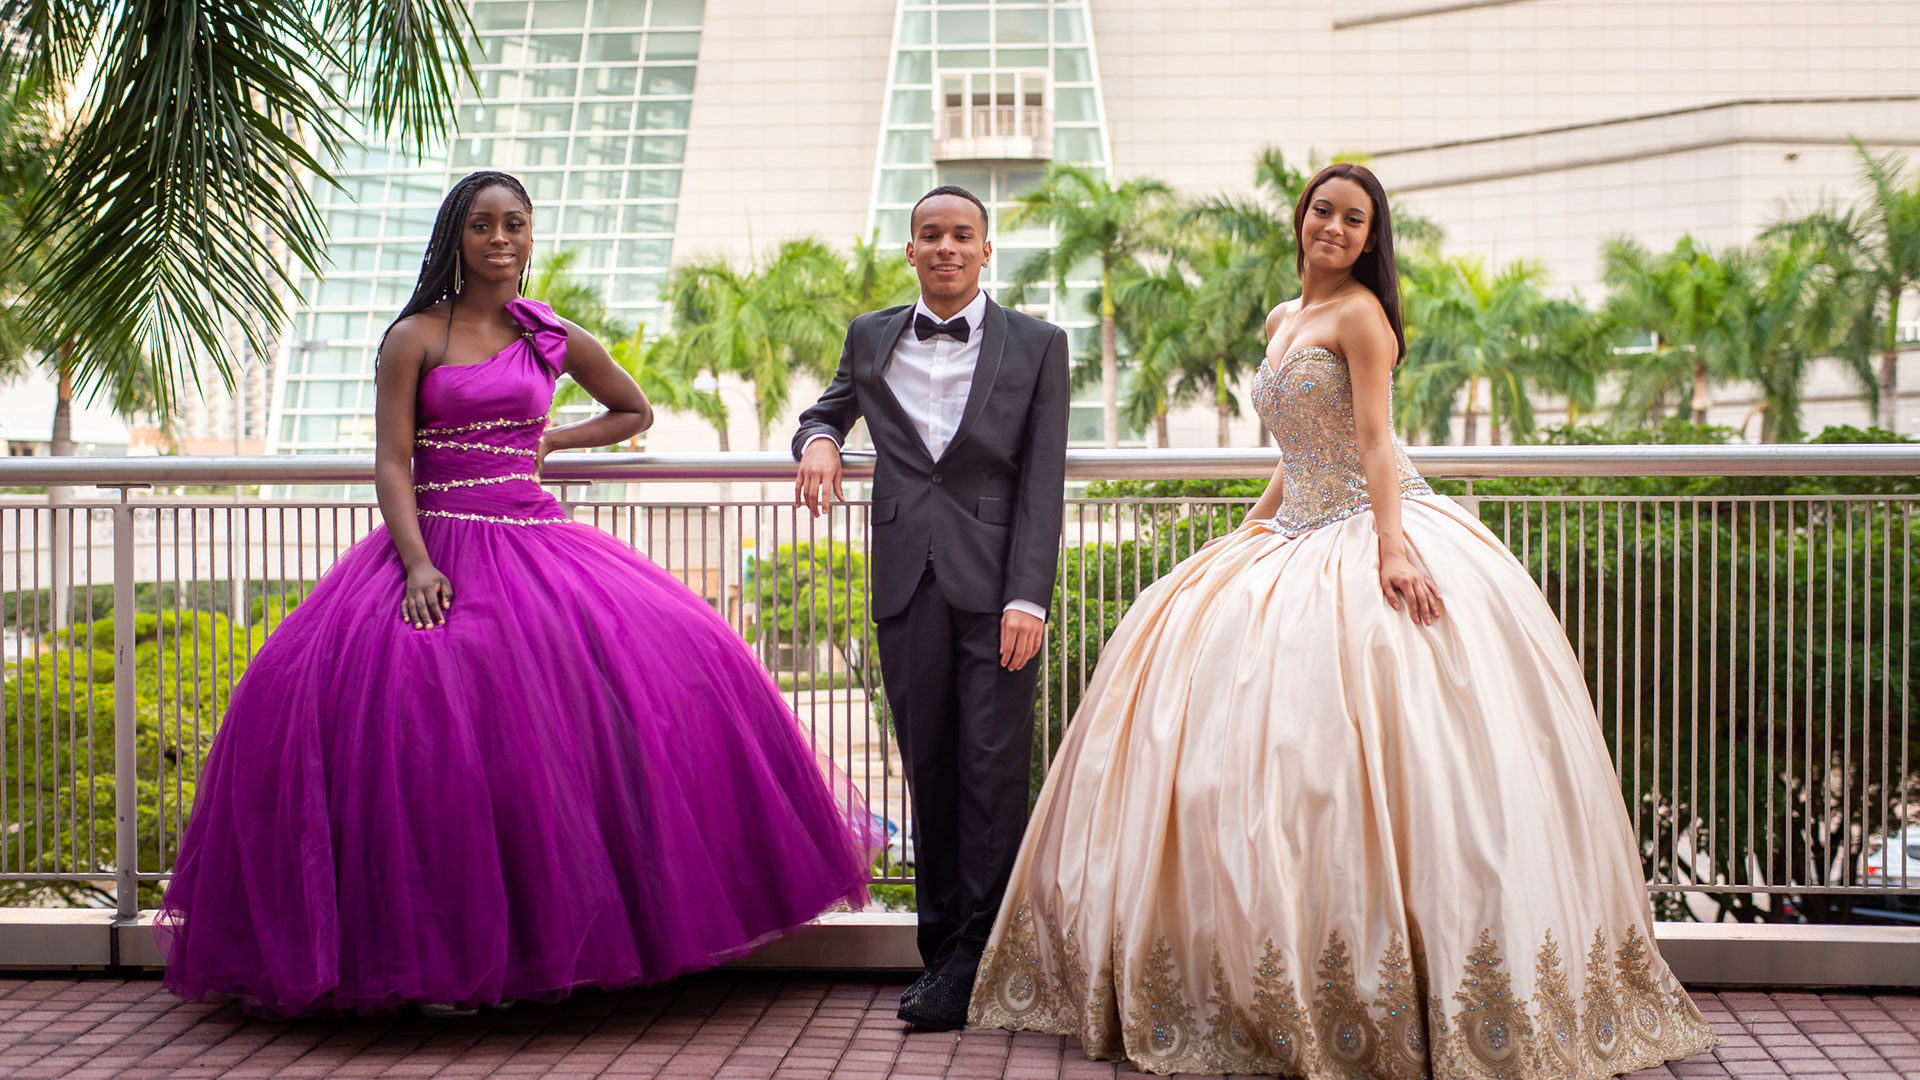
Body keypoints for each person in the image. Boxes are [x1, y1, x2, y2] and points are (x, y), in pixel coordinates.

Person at [968, 164, 1718, 1078]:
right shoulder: (1285, 319)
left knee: (1382, 750)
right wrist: (1250, 525)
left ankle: (1412, 981)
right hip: (1295, 526)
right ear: (1303, 218)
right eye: (1323, 209)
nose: (1333, 226)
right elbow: (1301, 446)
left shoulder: (1364, 316)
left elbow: (1372, 441)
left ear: (1370, 239)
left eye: (1353, 219)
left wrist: (1393, 548)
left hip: (1369, 524)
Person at [157, 170, 877, 1017]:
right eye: (482, 226)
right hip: (436, 541)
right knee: (408, 726)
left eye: (515, 225)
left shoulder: (550, 334)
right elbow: (393, 462)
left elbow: (633, 410)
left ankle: (548, 952)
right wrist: (419, 565)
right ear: (454, 239)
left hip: (535, 536)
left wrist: (545, 441)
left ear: (530, 237)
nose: (501, 239)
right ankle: (431, 960)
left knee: (675, 668)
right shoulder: (415, 336)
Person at [792, 185, 1070, 1030]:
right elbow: (826, 406)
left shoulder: (1038, 344)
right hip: (906, 582)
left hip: (1000, 595)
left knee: (992, 773)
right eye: (929, 235)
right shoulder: (871, 335)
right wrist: (820, 442)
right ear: (910, 251)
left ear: (988, 251)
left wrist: (1030, 594)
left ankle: (981, 958)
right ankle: (942, 950)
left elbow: (1042, 481)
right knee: (932, 769)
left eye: (962, 235)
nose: (945, 247)